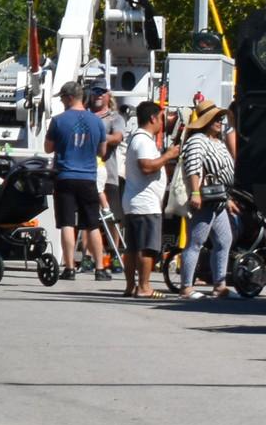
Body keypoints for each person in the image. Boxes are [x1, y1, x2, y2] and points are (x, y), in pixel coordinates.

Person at [44, 80, 109, 281]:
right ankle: (99, 268)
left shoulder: (58, 121)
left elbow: (48, 148)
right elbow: (103, 151)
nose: (62, 101)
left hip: (64, 177)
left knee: (67, 223)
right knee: (92, 224)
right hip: (88, 177)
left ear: (69, 98)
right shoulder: (97, 121)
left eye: (63, 97)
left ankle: (70, 267)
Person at [179, 98, 237, 300]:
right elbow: (193, 167)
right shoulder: (198, 140)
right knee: (196, 241)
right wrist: (195, 192)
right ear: (206, 121)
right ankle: (186, 287)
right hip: (205, 198)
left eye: (221, 118)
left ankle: (219, 285)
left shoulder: (218, 142)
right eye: (216, 119)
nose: (220, 122)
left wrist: (227, 198)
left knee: (224, 240)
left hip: (218, 199)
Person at [123, 100, 180, 298]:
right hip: (145, 203)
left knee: (132, 247)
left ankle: (131, 286)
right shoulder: (144, 140)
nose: (161, 123)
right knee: (146, 247)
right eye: (161, 119)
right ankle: (144, 286)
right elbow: (146, 166)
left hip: (135, 201)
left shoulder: (137, 139)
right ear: (153, 118)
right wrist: (168, 155)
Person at [89, 84, 126, 269]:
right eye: (94, 90)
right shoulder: (85, 114)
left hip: (108, 175)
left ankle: (114, 254)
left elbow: (118, 137)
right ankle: (88, 256)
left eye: (101, 91)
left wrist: (94, 136)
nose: (97, 94)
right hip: (86, 174)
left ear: (108, 95)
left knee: (113, 217)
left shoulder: (115, 117)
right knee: (89, 217)